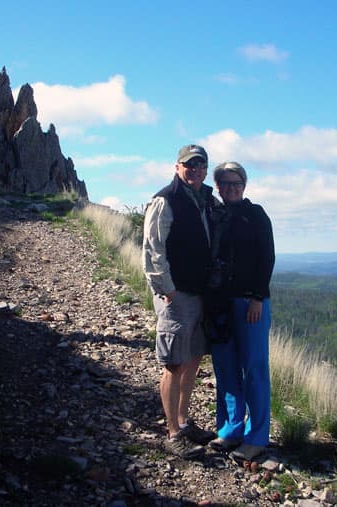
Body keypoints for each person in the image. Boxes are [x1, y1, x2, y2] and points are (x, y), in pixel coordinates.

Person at [142, 144, 218, 459]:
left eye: (201, 165)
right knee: (174, 363)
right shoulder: (165, 200)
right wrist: (166, 289)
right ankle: (173, 432)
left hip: (199, 291)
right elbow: (152, 248)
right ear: (177, 167)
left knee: (193, 357)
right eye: (190, 165)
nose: (196, 169)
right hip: (177, 294)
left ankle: (185, 422)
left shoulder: (205, 201)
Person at [207, 161, 275, 462]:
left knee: (255, 369)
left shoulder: (256, 214)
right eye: (226, 183)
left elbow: (267, 257)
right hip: (219, 303)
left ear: (244, 186)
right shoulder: (214, 214)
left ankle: (257, 437)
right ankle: (230, 430)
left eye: (237, 183)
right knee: (225, 368)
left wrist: (258, 297)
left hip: (250, 303)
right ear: (218, 186)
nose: (232, 187)